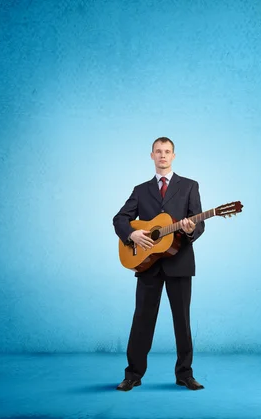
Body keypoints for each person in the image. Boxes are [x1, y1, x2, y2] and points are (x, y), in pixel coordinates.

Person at [112, 137, 205, 391]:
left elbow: (200, 225)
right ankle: (133, 374)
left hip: (180, 262)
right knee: (141, 319)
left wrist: (188, 230)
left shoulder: (189, 186)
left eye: (167, 151)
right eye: (158, 151)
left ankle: (185, 374)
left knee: (182, 321)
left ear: (174, 156)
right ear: (151, 155)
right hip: (147, 263)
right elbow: (120, 218)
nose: (162, 155)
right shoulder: (141, 190)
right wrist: (131, 235)